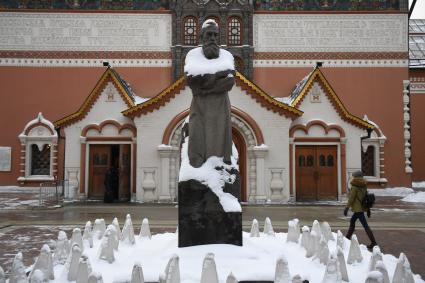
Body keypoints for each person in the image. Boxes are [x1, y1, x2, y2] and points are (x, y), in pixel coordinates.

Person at [184, 19, 235, 168]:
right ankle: (199, 168)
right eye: (209, 35)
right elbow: (192, 80)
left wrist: (205, 86)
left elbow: (229, 81)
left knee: (219, 142)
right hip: (200, 108)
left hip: (220, 107)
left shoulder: (226, 56)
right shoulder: (192, 55)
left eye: (215, 35)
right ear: (202, 37)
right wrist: (216, 78)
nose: (212, 38)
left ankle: (218, 166)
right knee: (197, 138)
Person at [344, 170, 377, 249]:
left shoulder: (355, 186)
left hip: (358, 209)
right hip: (361, 207)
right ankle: (347, 238)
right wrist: (368, 209)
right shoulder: (364, 185)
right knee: (352, 221)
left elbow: (351, 198)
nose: (353, 177)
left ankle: (374, 242)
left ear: (356, 177)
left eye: (354, 176)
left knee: (365, 225)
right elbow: (366, 197)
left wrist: (347, 208)